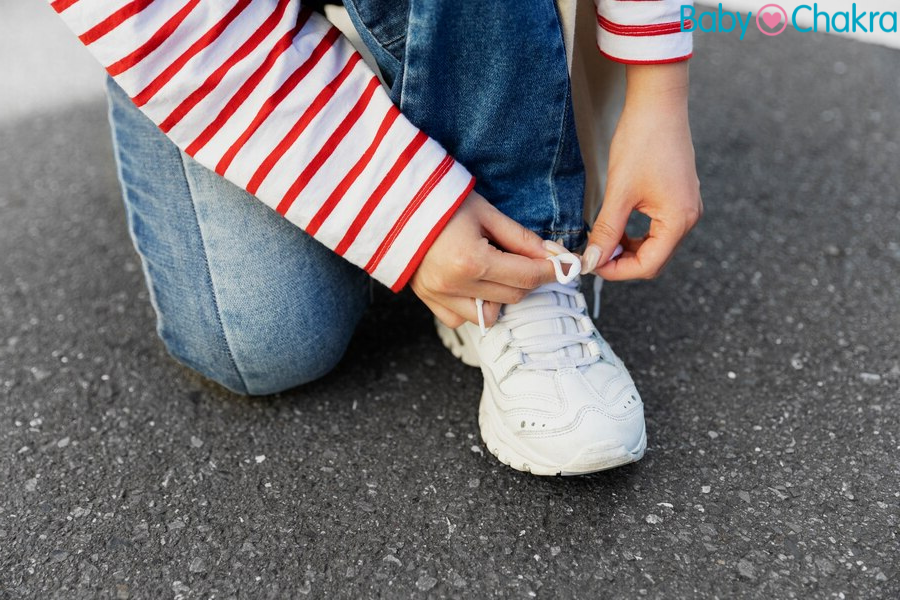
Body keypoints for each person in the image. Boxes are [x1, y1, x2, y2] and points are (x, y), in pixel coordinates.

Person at [50, 0, 702, 475]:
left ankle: (517, 244)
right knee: (265, 342)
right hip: (197, 24)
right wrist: (408, 213)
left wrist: (659, 88)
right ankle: (391, 78)